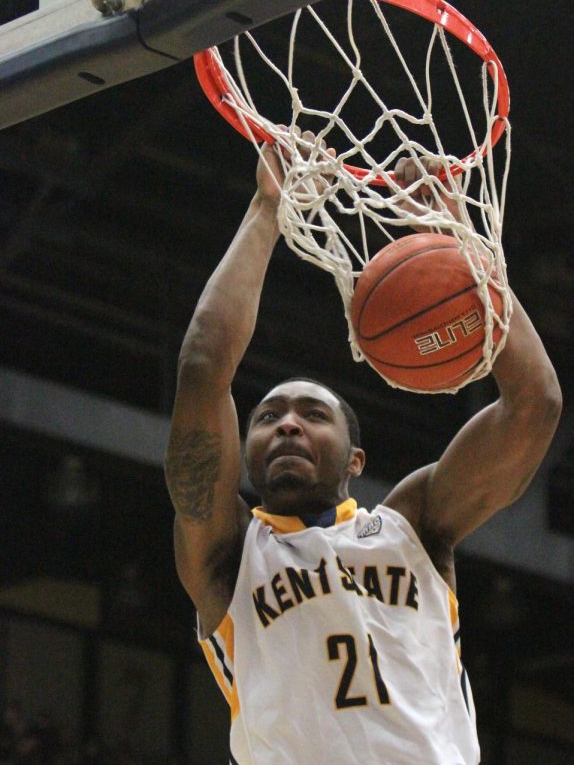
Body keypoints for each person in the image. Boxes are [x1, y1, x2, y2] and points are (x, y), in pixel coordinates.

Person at [164, 136, 562, 764]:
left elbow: (534, 403)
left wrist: (458, 239)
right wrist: (267, 210)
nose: (287, 425)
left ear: (356, 460)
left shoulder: (415, 525)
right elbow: (203, 368)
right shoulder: (228, 555)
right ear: (244, 451)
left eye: (312, 414)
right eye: (268, 416)